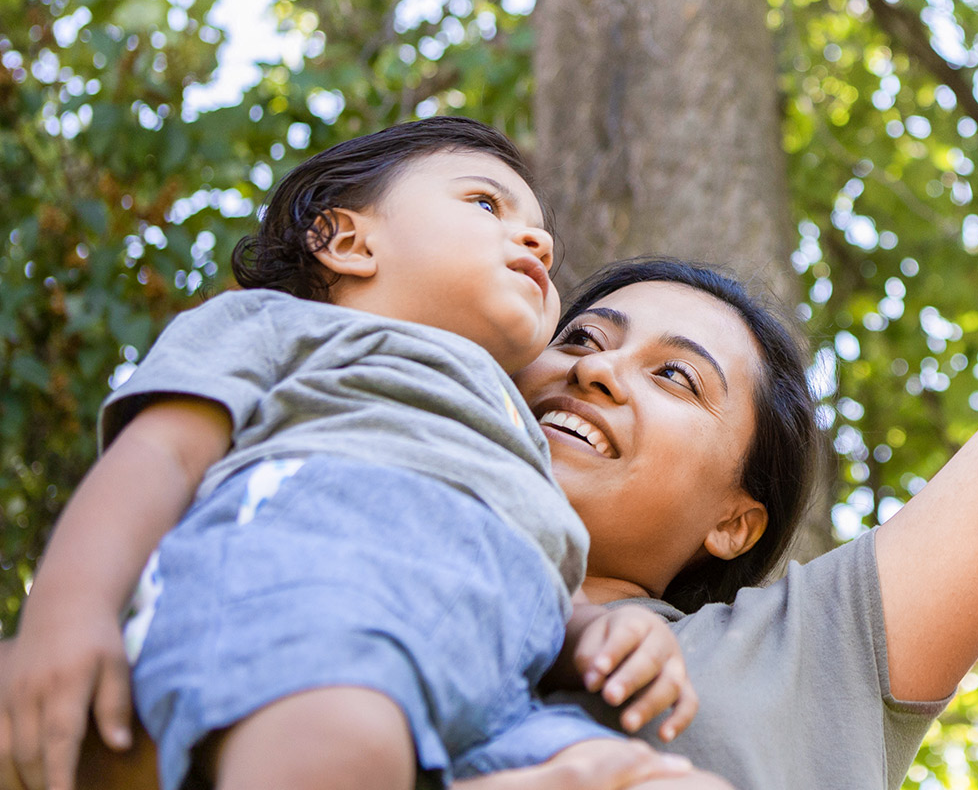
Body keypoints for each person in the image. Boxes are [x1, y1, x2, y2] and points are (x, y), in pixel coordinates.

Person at [9, 0, 978, 790]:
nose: (595, 369)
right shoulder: (305, 500)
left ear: (740, 514)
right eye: (584, 339)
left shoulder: (813, 651)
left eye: (674, 378)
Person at [0, 119, 718, 790]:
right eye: (485, 205)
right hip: (302, 615)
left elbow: (524, 581)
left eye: (541, 234)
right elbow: (157, 460)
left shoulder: (518, 436)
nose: (539, 244)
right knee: (340, 736)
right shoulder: (281, 329)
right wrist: (70, 612)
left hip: (488, 699)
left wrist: (602, 631)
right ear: (348, 243)